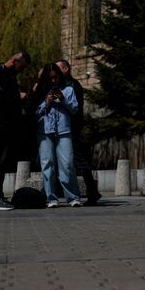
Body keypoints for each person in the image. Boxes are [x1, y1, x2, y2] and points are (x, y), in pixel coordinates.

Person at [0, 51, 30, 211]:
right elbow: (0, 97)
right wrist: (18, 96)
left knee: (2, 161)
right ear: (15, 61)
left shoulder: (9, 76)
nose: (21, 71)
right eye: (22, 67)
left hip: (7, 125)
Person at [36, 63, 82, 208]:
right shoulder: (40, 91)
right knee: (47, 165)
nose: (53, 81)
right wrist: (46, 103)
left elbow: (75, 109)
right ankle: (51, 198)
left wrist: (63, 99)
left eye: (56, 77)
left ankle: (73, 197)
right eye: (50, 78)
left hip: (64, 130)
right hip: (45, 131)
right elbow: (34, 112)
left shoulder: (68, 90)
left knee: (67, 164)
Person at [58, 59, 101, 205]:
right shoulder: (67, 84)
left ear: (65, 69)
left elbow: (74, 109)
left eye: (58, 69)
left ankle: (92, 192)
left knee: (79, 160)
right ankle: (92, 191)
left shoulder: (71, 85)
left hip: (73, 129)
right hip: (70, 128)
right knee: (75, 160)